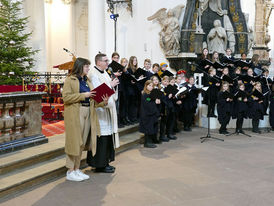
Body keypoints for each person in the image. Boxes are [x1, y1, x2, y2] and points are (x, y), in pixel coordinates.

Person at [62, 57, 107, 181]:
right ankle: (70, 171)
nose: (88, 68)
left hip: (88, 111)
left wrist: (103, 102)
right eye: (86, 66)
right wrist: (84, 95)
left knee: (81, 143)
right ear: (80, 66)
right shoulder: (70, 79)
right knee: (74, 142)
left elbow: (93, 98)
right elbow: (66, 98)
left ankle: (77, 169)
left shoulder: (86, 80)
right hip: (76, 112)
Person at [87, 53, 120, 173]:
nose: (108, 63)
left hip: (107, 110)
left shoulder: (105, 72)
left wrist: (113, 86)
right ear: (98, 62)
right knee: (101, 138)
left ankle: (105, 162)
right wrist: (110, 85)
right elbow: (95, 93)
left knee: (107, 137)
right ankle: (99, 164)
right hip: (99, 110)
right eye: (105, 61)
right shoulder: (93, 74)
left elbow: (109, 89)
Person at [139, 80, 161, 148]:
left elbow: (151, 100)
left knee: (152, 128)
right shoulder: (145, 94)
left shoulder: (152, 93)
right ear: (146, 86)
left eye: (152, 86)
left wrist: (156, 101)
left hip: (152, 113)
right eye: (149, 85)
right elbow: (147, 102)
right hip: (147, 114)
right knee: (148, 129)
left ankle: (152, 140)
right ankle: (147, 142)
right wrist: (154, 101)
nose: (151, 87)